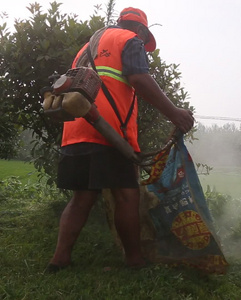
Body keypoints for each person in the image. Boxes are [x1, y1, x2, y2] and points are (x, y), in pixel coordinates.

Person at [46, 7, 195, 272]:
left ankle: (59, 259)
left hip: (75, 131)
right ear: (139, 29)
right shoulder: (129, 40)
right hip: (110, 134)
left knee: (81, 198)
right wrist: (175, 114)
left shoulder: (84, 49)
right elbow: (139, 78)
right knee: (127, 196)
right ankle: (135, 261)